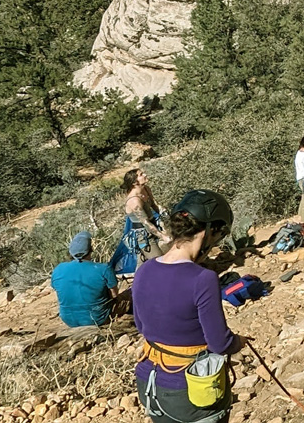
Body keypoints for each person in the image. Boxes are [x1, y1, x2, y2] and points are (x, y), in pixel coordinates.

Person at [134, 190, 243, 423]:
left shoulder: (144, 269)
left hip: (149, 383)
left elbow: (141, 325)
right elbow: (219, 343)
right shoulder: (202, 279)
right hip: (191, 387)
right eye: (218, 235)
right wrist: (239, 342)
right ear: (208, 231)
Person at [51, 231, 118, 328]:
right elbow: (114, 295)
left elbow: (58, 290)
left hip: (69, 320)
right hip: (98, 318)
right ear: (91, 249)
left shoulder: (58, 269)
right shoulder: (104, 269)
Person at [111, 168, 167, 278]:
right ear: (134, 182)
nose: (145, 174)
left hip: (153, 226)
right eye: (141, 174)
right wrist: (163, 236)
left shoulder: (146, 189)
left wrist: (164, 215)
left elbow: (154, 206)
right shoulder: (134, 201)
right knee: (160, 262)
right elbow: (145, 222)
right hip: (143, 235)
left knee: (143, 265)